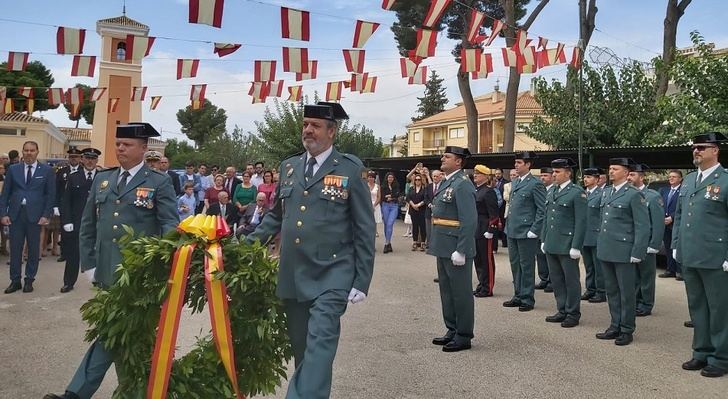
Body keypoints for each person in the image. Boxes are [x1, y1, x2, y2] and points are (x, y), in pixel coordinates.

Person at [245, 101, 375, 398]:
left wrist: (361, 279)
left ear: (332, 131)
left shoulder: (350, 169)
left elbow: (364, 228)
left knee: (320, 344)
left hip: (332, 273)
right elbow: (277, 215)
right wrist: (246, 246)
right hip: (293, 273)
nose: (307, 130)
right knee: (305, 351)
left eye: (315, 126)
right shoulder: (289, 166)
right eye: (305, 124)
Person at [44, 122, 178, 399]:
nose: (120, 148)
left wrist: (161, 266)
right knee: (120, 335)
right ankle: (135, 392)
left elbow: (169, 227)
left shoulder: (159, 182)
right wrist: (90, 264)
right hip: (106, 271)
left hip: (138, 275)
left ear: (143, 149)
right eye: (118, 143)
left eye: (127, 144)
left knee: (113, 333)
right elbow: (87, 225)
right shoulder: (103, 179)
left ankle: (76, 393)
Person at [673, 132, 728, 378]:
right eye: (694, 147)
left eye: (702, 147)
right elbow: (679, 217)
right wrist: (676, 245)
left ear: (715, 150)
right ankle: (701, 352)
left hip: (716, 256)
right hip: (690, 254)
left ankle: (721, 357)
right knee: (697, 307)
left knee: (719, 309)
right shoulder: (689, 180)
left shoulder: (725, 180)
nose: (696, 151)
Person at [595, 157, 649, 346]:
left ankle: (627, 329)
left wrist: (638, 251)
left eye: (615, 169)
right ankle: (614, 325)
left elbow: (642, 226)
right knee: (612, 290)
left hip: (624, 250)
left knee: (626, 292)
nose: (611, 172)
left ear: (626, 173)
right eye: (610, 168)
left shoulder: (634, 194)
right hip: (607, 249)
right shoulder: (607, 192)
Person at [427, 146, 476, 352]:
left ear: (458, 162)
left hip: (455, 246)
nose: (442, 159)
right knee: (446, 291)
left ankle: (464, 334)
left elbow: (469, 219)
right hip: (443, 244)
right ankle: (452, 329)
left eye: (447, 156)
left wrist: (462, 249)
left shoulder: (462, 185)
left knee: (460, 292)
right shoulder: (447, 182)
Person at [1, 141, 55, 294]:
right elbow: (5, 193)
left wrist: (46, 215)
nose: (29, 153)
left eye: (32, 150)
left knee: (33, 249)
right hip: (16, 214)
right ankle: (15, 280)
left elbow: (50, 195)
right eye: (26, 150)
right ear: (22, 152)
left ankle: (29, 280)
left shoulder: (46, 171)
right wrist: (3, 213)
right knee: (15, 249)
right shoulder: (13, 169)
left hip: (35, 215)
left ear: (37, 152)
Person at [541, 158, 586, 328]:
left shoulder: (577, 192)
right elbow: (547, 217)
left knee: (571, 280)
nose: (554, 175)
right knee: (557, 279)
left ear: (568, 173)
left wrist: (576, 245)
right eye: (553, 172)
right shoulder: (552, 191)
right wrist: (544, 239)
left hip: (567, 244)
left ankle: (573, 313)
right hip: (552, 242)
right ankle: (562, 309)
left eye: (557, 172)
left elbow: (581, 221)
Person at [503, 151, 546, 312]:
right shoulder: (515, 182)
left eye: (519, 162)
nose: (516, 165)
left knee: (526, 265)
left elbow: (542, 209)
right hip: (513, 230)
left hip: (526, 231)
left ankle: (527, 298)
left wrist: (535, 230)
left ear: (528, 165)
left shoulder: (535, 183)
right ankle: (518, 294)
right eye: (516, 162)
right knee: (515, 264)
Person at [59, 147, 101, 293]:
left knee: (98, 253)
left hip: (97, 222)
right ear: (82, 159)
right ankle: (68, 282)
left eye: (93, 158)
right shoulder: (73, 177)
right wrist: (67, 221)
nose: (90, 161)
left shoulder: (103, 178)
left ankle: (98, 280)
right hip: (78, 221)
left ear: (97, 160)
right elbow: (67, 201)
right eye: (87, 158)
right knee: (73, 254)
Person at [628, 163, 665, 317]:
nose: (629, 177)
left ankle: (646, 303)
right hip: (631, 242)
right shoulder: (627, 194)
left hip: (646, 243)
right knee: (633, 276)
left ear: (641, 177)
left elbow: (658, 223)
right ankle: (635, 301)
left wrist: (654, 244)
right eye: (628, 174)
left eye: (633, 175)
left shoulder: (652, 196)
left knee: (646, 276)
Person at [472, 164, 499, 298]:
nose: (475, 175)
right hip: (476, 227)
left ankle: (488, 287)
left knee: (486, 260)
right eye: (475, 173)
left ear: (485, 176)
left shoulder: (489, 191)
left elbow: (494, 213)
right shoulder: (476, 190)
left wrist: (491, 229)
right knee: (478, 259)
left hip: (484, 228)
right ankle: (481, 284)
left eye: (478, 173)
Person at [581, 168, 606, 303]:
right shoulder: (583, 194)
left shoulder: (602, 194)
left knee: (599, 267)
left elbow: (603, 216)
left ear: (597, 180)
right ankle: (590, 289)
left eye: (589, 177)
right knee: (588, 266)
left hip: (596, 235)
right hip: (585, 236)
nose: (585, 179)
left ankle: (601, 292)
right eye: (585, 177)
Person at [55, 147, 83, 262]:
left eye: (76, 157)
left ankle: (78, 252)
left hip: (78, 205)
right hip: (64, 205)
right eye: (71, 157)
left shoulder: (83, 171)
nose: (73, 159)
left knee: (79, 230)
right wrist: (55, 205)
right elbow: (57, 189)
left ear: (80, 158)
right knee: (64, 230)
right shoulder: (62, 172)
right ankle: (64, 253)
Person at [659, 170, 683, 280]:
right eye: (670, 177)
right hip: (664, 223)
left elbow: (683, 207)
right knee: (668, 248)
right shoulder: (664, 190)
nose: (671, 178)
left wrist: (672, 217)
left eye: (674, 177)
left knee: (677, 247)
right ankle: (670, 270)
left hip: (676, 223)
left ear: (680, 179)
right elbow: (659, 205)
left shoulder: (683, 190)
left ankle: (680, 271)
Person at [536, 166, 554, 292]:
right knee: (540, 255)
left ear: (552, 176)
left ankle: (552, 280)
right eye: (541, 175)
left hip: (550, 227)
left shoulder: (554, 190)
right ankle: (543, 278)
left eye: (545, 176)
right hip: (539, 227)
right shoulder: (539, 189)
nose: (542, 178)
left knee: (550, 255)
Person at [380, 172, 400, 253]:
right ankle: (389, 242)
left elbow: (397, 195)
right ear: (386, 178)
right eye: (389, 177)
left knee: (390, 224)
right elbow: (382, 196)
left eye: (392, 177)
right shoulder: (383, 186)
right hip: (385, 206)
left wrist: (390, 196)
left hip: (394, 206)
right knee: (386, 224)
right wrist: (391, 196)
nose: (390, 179)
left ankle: (386, 243)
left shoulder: (396, 186)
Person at [406, 172, 427, 251]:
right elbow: (408, 198)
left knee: (422, 226)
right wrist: (413, 205)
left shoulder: (424, 189)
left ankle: (422, 243)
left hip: (422, 210)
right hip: (413, 210)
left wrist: (418, 205)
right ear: (414, 181)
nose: (417, 181)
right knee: (414, 226)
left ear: (421, 181)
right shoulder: (411, 188)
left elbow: (425, 199)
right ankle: (414, 242)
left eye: (419, 180)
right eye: (416, 180)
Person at [424, 170, 443, 249]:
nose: (435, 178)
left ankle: (437, 245)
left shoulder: (443, 186)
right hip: (429, 211)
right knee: (429, 230)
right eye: (434, 176)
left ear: (440, 177)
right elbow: (425, 197)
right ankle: (429, 245)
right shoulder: (429, 186)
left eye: (437, 176)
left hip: (439, 212)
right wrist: (430, 205)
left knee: (437, 229)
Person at [494, 168, 509, 248]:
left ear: (502, 174)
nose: (497, 175)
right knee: (494, 225)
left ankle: (504, 242)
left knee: (503, 224)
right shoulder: (493, 182)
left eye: (499, 174)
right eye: (496, 174)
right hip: (495, 208)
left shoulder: (506, 183)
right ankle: (495, 243)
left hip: (503, 207)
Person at [367, 171, 382, 237]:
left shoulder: (377, 186)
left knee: (374, 220)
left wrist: (374, 205)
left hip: (375, 204)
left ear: (374, 178)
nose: (371, 179)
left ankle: (375, 230)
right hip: (367, 204)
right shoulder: (365, 185)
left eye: (372, 177)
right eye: (369, 177)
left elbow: (379, 197)